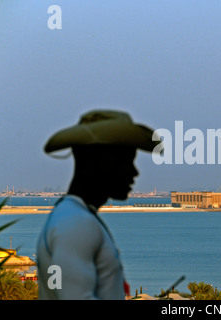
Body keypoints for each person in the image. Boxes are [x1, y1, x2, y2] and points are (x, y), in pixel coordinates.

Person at [36, 110, 161, 300]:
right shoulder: (76, 223)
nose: (134, 172)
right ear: (92, 161)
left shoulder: (73, 215)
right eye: (125, 161)